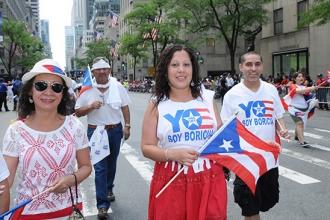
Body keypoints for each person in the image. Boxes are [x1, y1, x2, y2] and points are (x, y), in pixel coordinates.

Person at [141, 45, 227, 220]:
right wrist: (171, 154)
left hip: (210, 178)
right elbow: (147, 147)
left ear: (193, 68)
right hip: (171, 179)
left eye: (186, 65)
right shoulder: (156, 103)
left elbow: (223, 138)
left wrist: (256, 147)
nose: (181, 70)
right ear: (166, 70)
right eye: (174, 65)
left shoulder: (208, 99)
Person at [2, 59, 92, 219]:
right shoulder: (16, 131)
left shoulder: (75, 126)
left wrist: (71, 179)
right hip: (28, 214)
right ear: (30, 90)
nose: (48, 92)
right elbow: (6, 181)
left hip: (68, 212)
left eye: (56, 87)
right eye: (41, 85)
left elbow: (86, 166)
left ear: (63, 93)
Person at [220, 51, 289, 220]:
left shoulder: (271, 90)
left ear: (262, 66)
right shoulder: (232, 95)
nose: (253, 68)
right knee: (250, 208)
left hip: (269, 159)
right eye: (249, 65)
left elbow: (278, 117)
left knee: (268, 200)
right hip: (246, 161)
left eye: (257, 64)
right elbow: (226, 129)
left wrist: (282, 129)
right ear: (241, 67)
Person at [75, 57, 131, 219]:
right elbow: (77, 112)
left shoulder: (117, 86)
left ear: (109, 71)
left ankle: (108, 188)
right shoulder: (86, 89)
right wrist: (90, 106)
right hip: (96, 132)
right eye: (98, 69)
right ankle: (102, 205)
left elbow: (125, 106)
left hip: (115, 130)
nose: (102, 72)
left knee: (111, 163)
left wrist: (127, 125)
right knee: (100, 168)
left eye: (105, 68)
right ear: (93, 72)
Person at [288, 71, 318, 148]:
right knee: (299, 123)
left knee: (300, 123)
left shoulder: (304, 87)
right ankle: (302, 141)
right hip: (294, 109)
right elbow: (297, 91)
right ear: (294, 79)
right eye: (299, 76)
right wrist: (310, 88)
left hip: (303, 109)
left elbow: (307, 94)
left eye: (302, 76)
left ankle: (296, 136)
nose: (301, 78)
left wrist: (313, 89)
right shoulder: (292, 85)